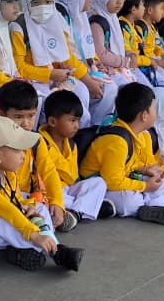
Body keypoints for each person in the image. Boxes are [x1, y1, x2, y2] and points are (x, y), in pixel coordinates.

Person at [0, 115, 84, 271]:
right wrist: (34, 234)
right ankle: (55, 251)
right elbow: (7, 210)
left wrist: (27, 206)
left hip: (4, 224)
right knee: (3, 223)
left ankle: (27, 250)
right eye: (19, 150)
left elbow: (14, 199)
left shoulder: (7, 171)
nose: (24, 155)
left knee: (39, 208)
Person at [79, 82, 164, 225]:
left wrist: (145, 169)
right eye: (154, 109)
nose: (156, 113)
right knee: (130, 200)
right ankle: (144, 204)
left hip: (119, 178)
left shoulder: (136, 134)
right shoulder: (117, 141)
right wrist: (145, 187)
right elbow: (112, 181)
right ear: (144, 115)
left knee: (160, 181)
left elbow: (129, 163)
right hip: (99, 186)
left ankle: (158, 207)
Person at [14, 0, 111, 124]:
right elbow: (20, 67)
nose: (43, 7)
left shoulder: (57, 21)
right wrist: (50, 74)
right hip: (34, 80)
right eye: (36, 2)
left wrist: (87, 79)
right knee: (51, 104)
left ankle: (84, 134)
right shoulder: (19, 27)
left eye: (48, 1)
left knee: (82, 96)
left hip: (58, 75)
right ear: (26, 2)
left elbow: (67, 56)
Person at [38, 90, 113, 223]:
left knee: (99, 183)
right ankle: (87, 208)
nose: (77, 126)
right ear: (53, 121)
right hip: (51, 190)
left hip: (69, 189)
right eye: (72, 121)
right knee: (55, 196)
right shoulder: (41, 143)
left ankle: (75, 213)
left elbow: (73, 178)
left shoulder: (71, 144)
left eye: (78, 121)